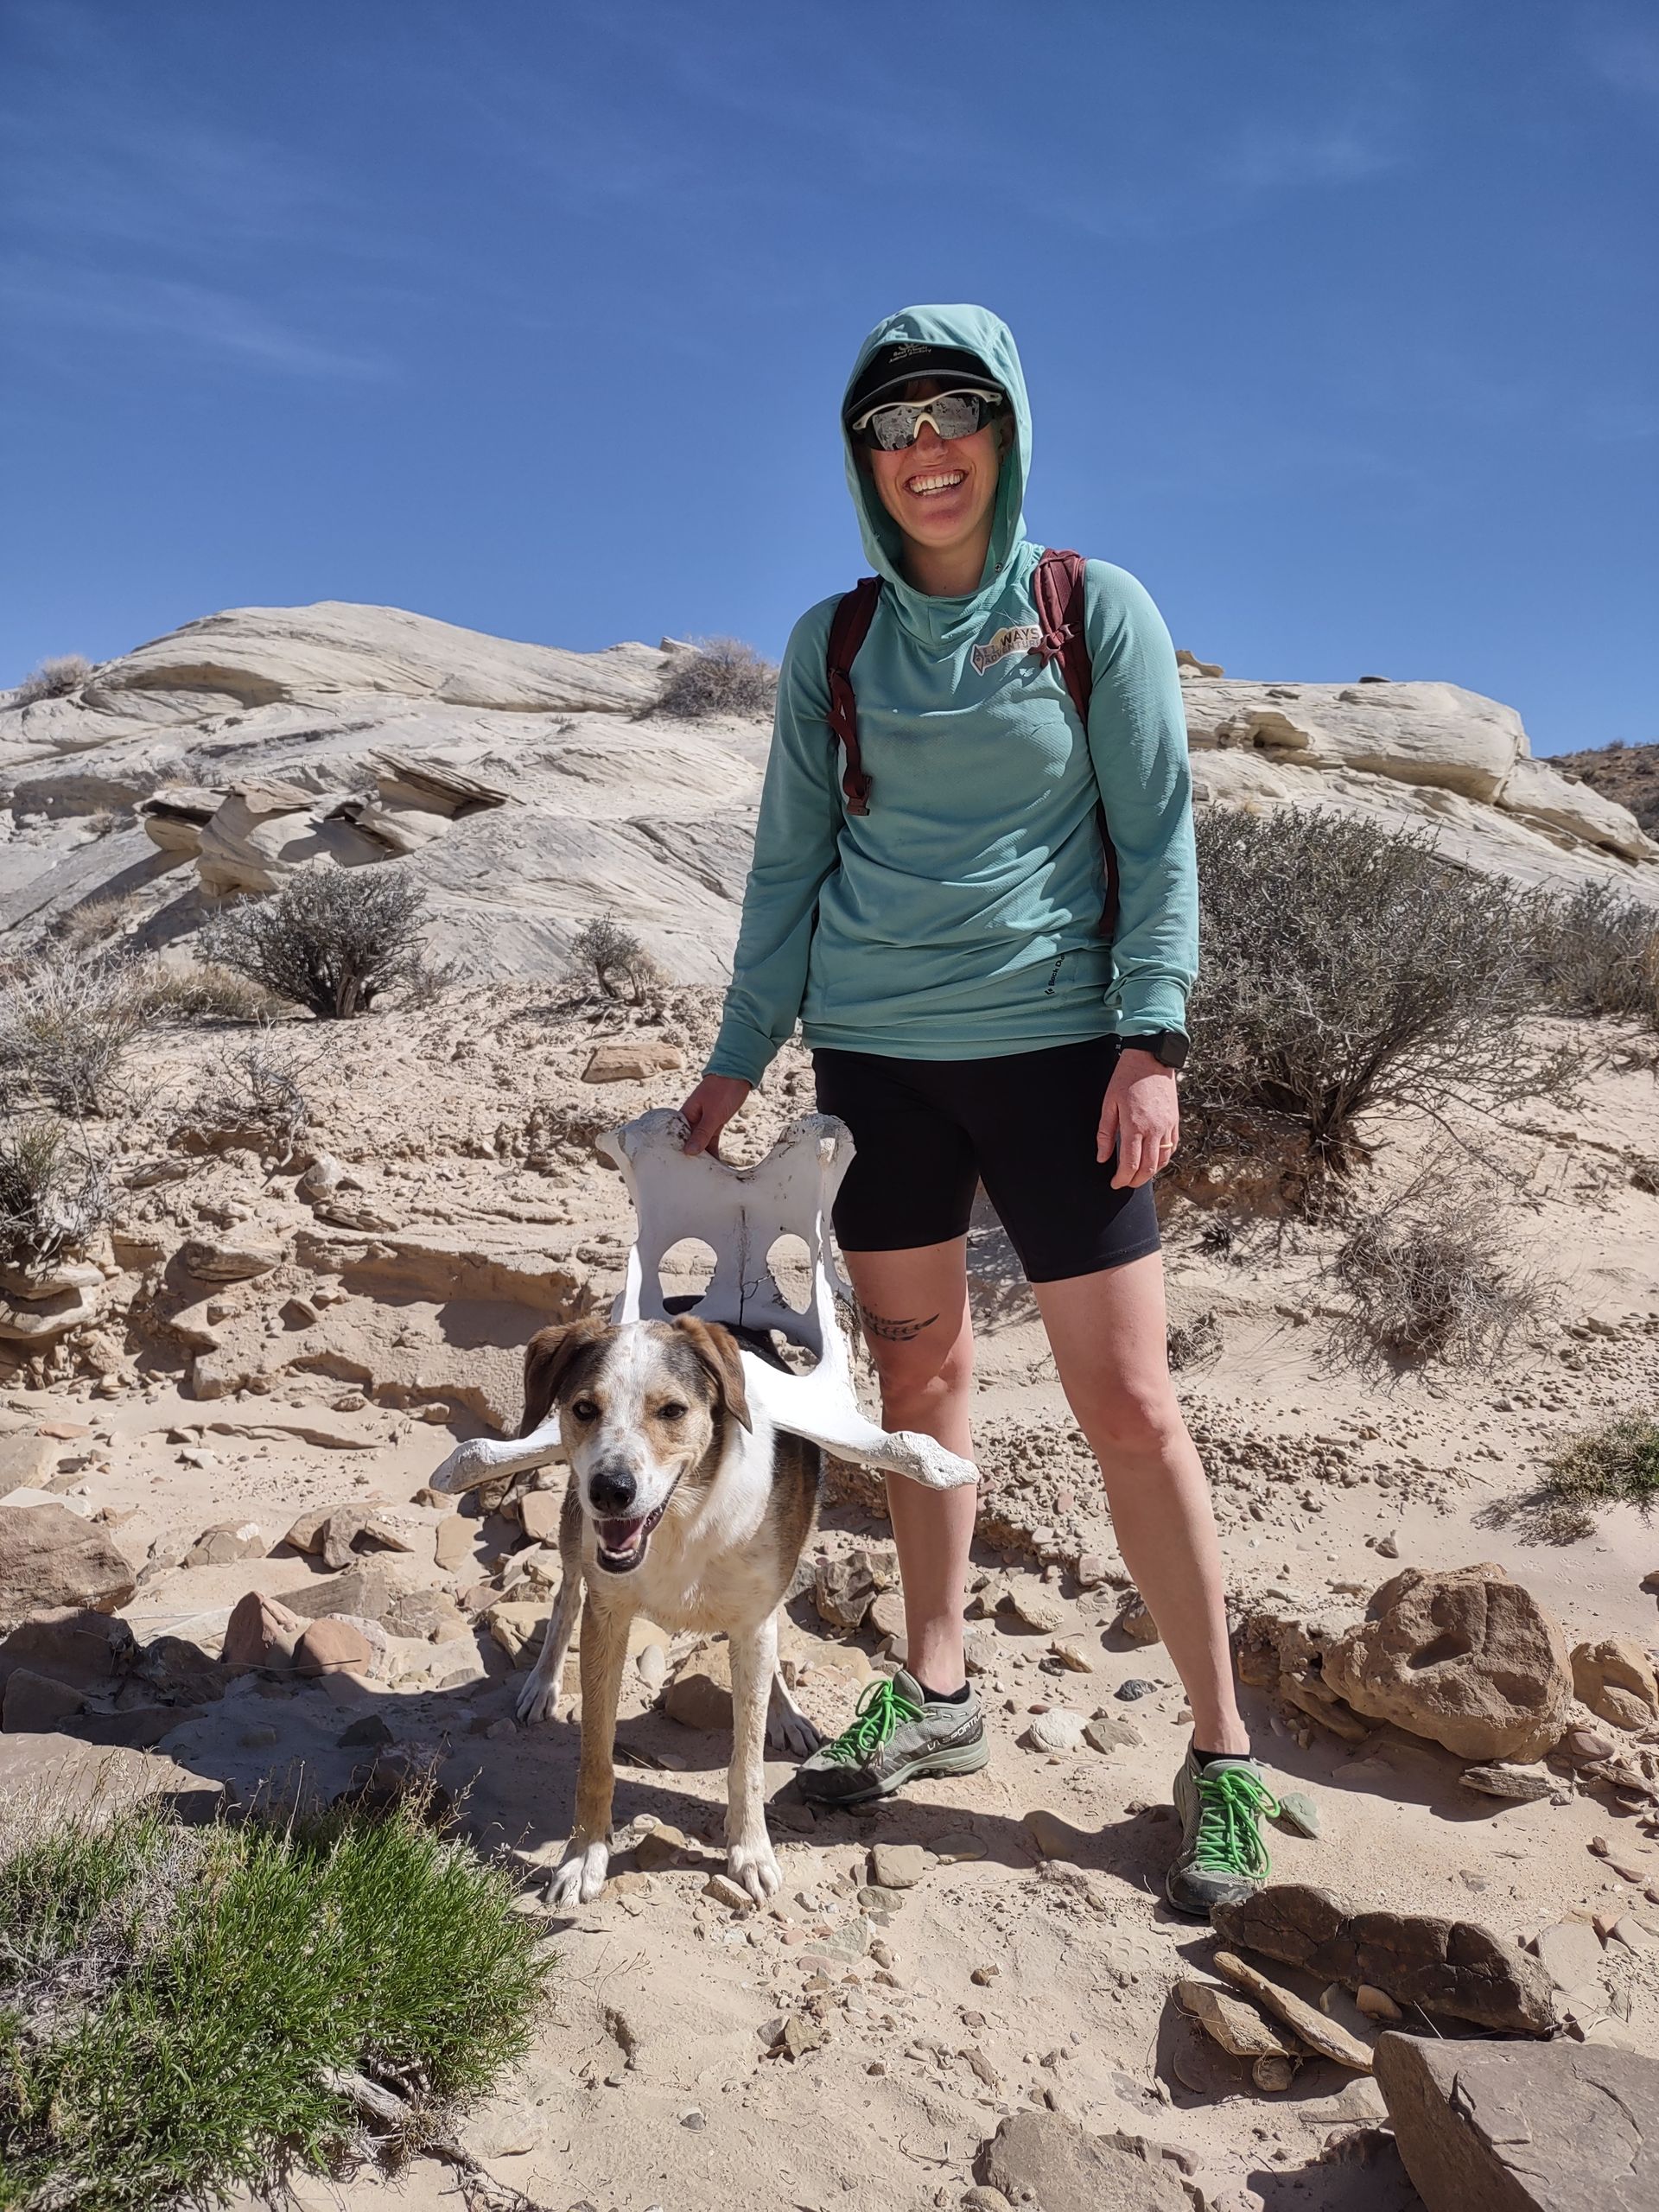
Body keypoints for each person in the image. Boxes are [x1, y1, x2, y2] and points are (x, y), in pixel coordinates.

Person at [676, 303, 1277, 1916]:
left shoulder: (1093, 608)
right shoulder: (836, 644)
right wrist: (738, 1061)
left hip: (1061, 1057)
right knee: (922, 1378)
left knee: (1132, 1405)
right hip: (875, 1062)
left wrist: (1152, 1037)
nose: (925, 451)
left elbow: (1159, 839)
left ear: (1003, 429)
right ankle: (939, 1695)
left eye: (954, 415)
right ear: (863, 461)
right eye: (891, 427)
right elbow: (789, 865)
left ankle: (1222, 1753)